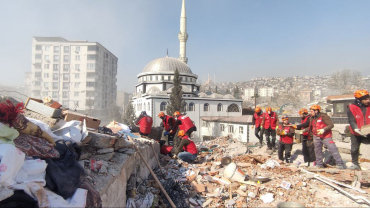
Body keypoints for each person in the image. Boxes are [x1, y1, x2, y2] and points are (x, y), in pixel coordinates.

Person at [305, 105, 345, 169]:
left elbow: (331, 125)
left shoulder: (324, 116)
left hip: (326, 136)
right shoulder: (311, 118)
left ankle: (340, 163)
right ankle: (319, 164)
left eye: (312, 111)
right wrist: (304, 130)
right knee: (317, 151)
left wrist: (324, 129)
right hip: (316, 136)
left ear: (316, 111)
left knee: (332, 149)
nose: (310, 112)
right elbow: (311, 127)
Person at [347, 90, 370, 170]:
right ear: (359, 100)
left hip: (368, 130)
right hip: (356, 132)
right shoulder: (351, 107)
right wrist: (356, 128)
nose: (368, 101)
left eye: (368, 98)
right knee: (354, 148)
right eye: (365, 99)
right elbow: (351, 120)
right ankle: (355, 164)